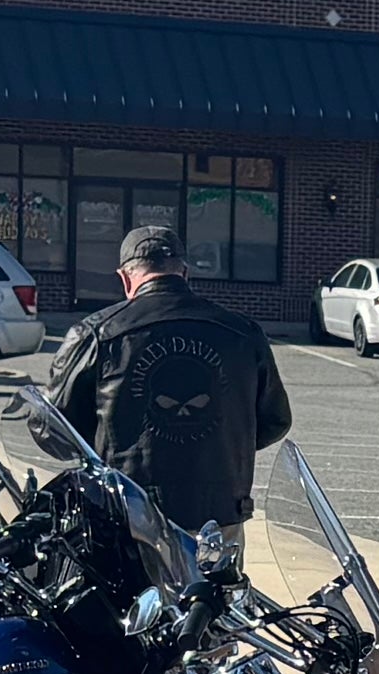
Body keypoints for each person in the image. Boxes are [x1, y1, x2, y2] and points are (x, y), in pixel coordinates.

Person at [41, 218, 291, 536]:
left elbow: (51, 427)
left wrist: (103, 447)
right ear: (184, 273)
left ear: (124, 278)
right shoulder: (242, 332)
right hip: (219, 516)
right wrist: (216, 446)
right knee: (217, 571)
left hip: (129, 513)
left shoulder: (97, 333)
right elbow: (275, 420)